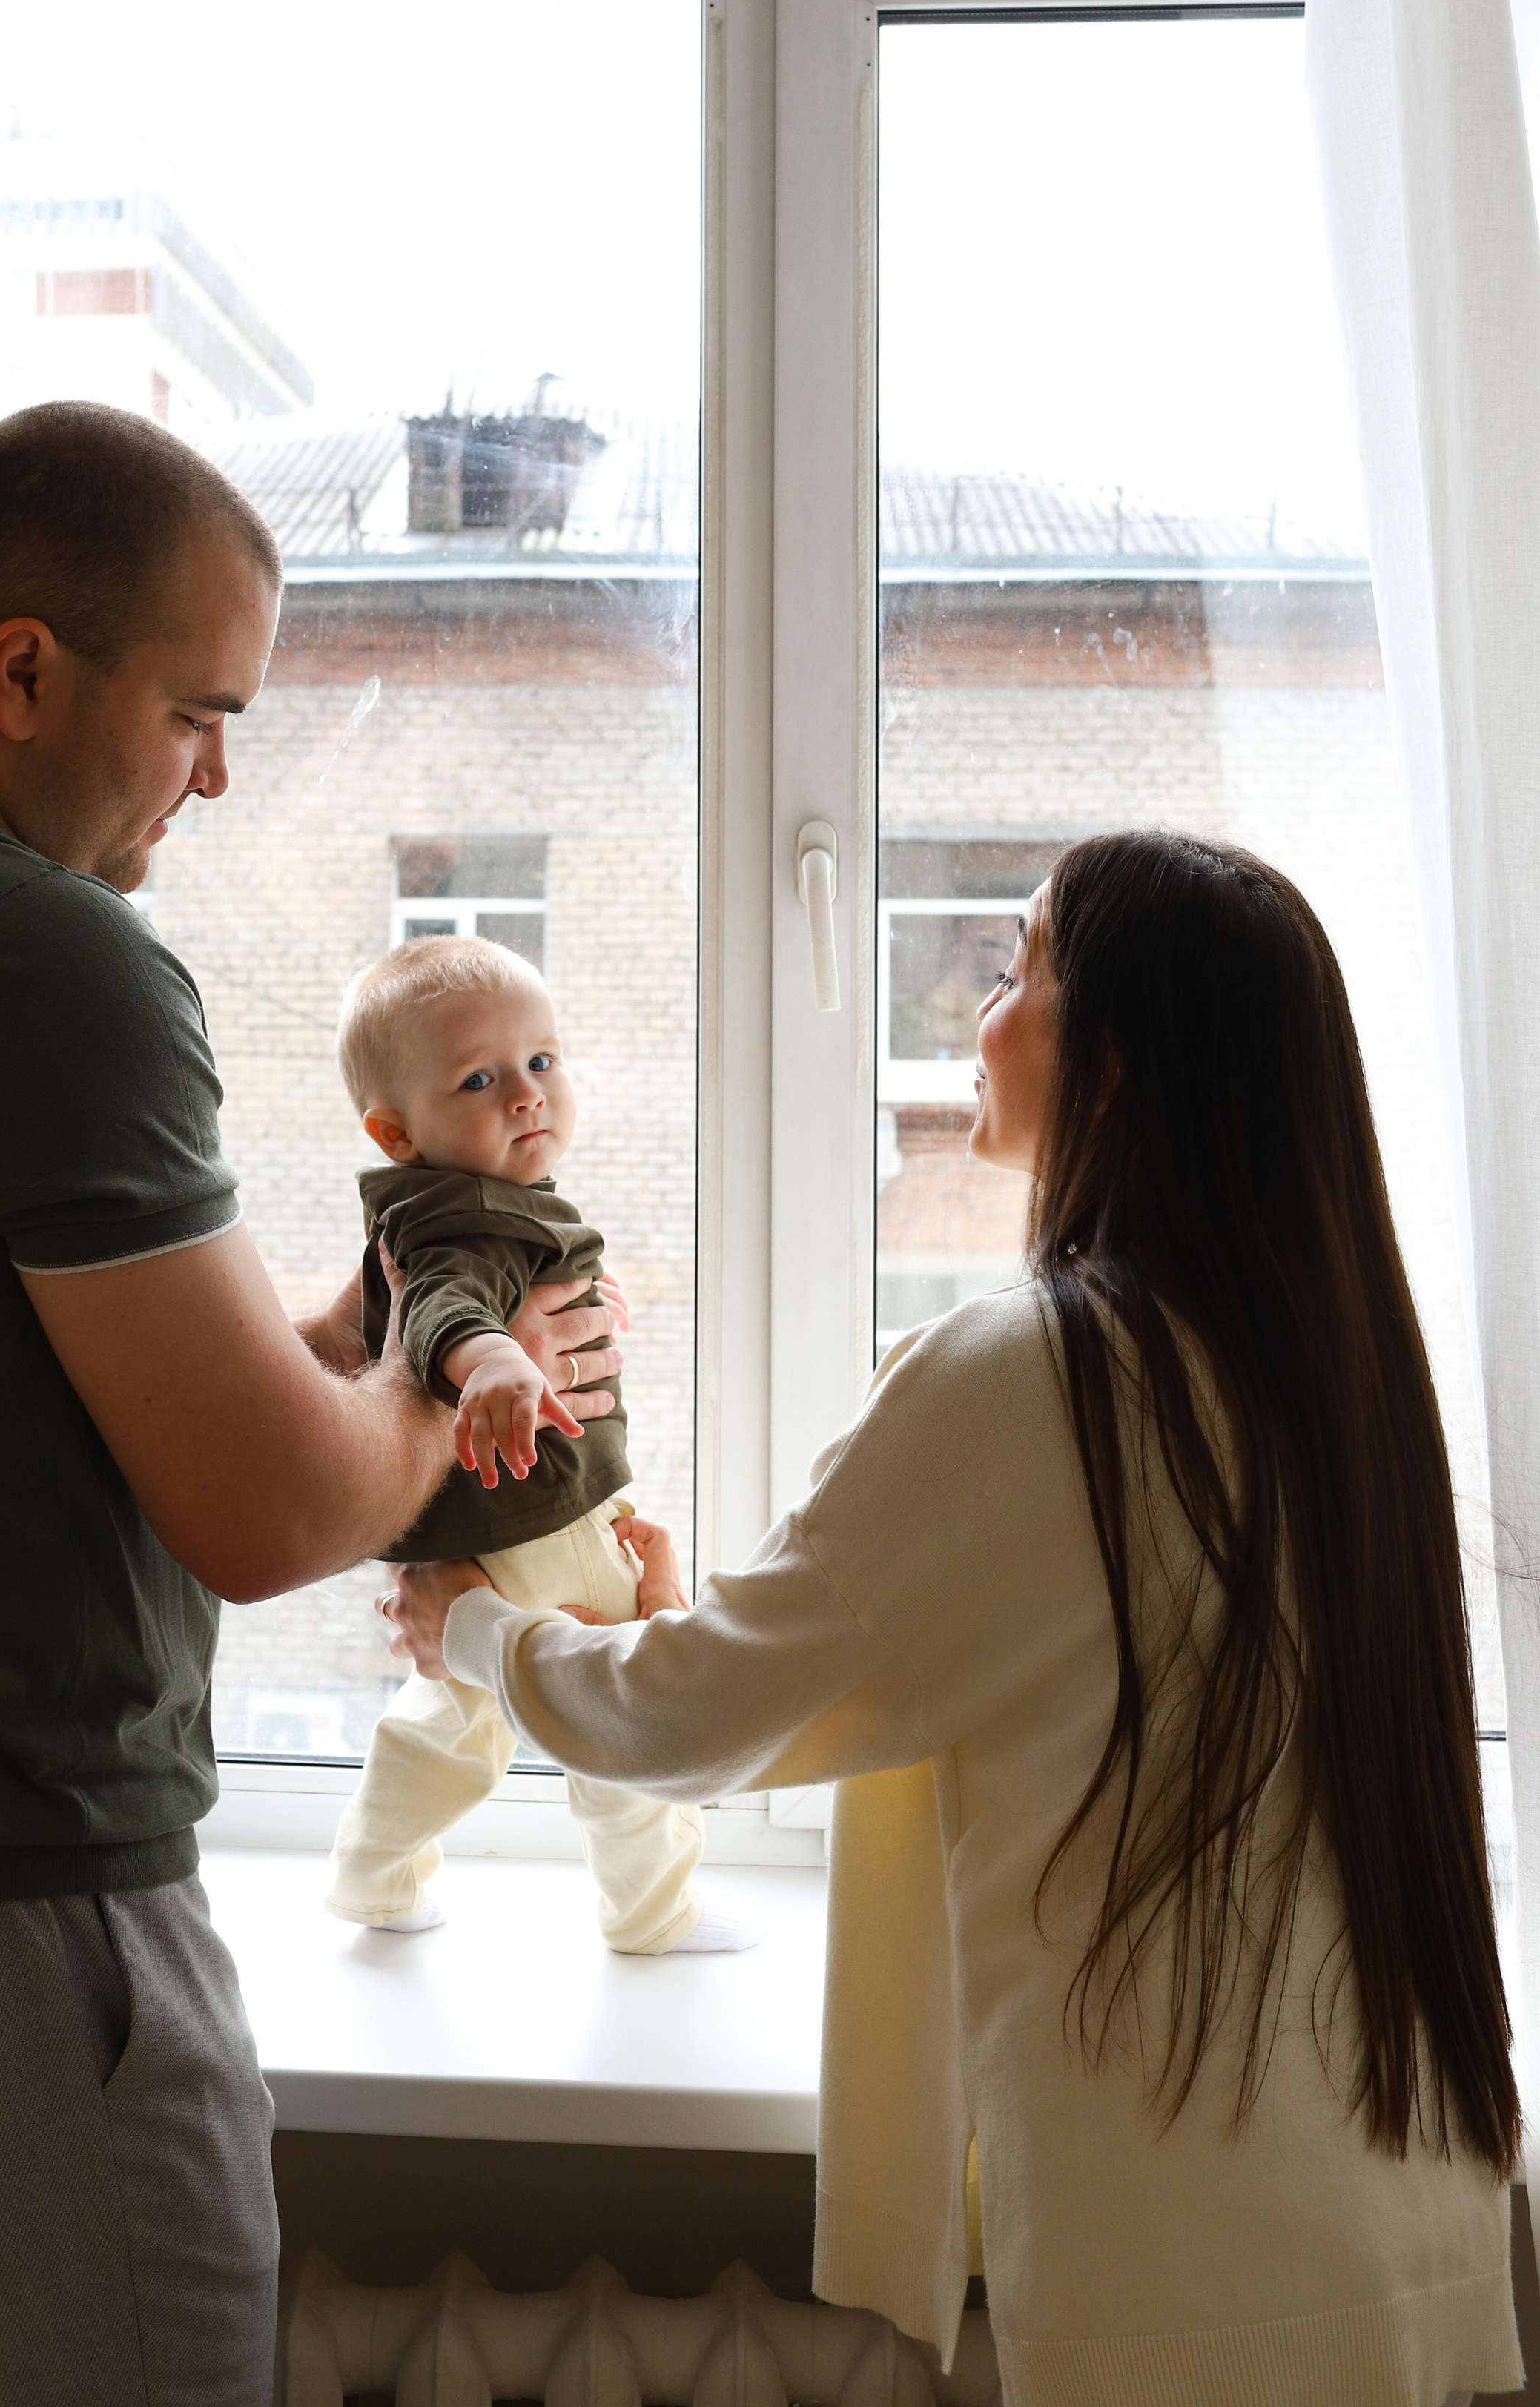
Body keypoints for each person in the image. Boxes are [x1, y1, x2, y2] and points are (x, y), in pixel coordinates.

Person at [0, 401, 621, 2407]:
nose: (219, 774)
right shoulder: (41, 951)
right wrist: (475, 1405)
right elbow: (262, 1517)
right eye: (199, 711)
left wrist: (359, 1336)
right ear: (23, 669)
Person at [389, 831, 1523, 2407]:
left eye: (1011, 969)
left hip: (1188, 2296)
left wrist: (470, 1623)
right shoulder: (1329, 1381)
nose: (969, 1012)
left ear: (1113, 1061)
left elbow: (688, 1720)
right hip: (1414, 2226)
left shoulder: (1027, 1375)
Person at [324, 935, 746, 1955]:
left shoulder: (472, 1205)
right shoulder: (452, 1222)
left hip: (491, 1532)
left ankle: (374, 1881)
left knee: (452, 1722)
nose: (528, 1095)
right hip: (541, 1515)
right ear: (396, 1130)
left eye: (543, 1062)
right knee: (616, 1702)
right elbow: (443, 1311)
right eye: (480, 1078)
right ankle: (657, 1911)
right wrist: (499, 1364)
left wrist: (573, 1293)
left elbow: (466, 1291)